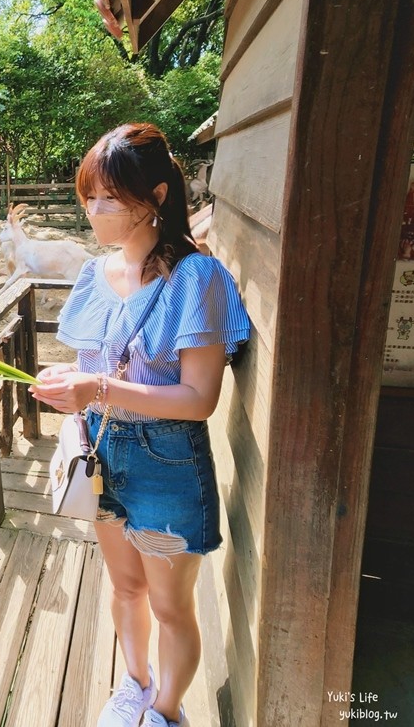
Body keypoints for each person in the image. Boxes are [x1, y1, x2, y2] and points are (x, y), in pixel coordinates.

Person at [29, 123, 250, 727]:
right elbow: (91, 366)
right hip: (102, 453)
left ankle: (166, 711)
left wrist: (95, 388)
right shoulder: (92, 276)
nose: (93, 210)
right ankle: (134, 685)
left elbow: (200, 399)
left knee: (171, 606)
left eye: (110, 198)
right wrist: (70, 400)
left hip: (168, 464)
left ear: (154, 197)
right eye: (88, 196)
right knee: (126, 589)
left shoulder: (196, 279)